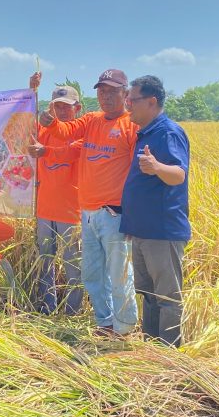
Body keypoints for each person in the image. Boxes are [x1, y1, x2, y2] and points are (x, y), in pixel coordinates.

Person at [38, 68, 139, 336]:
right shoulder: (92, 120)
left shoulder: (132, 126)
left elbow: (138, 175)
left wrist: (134, 214)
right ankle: (105, 323)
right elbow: (66, 130)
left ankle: (125, 328)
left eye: (112, 91)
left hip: (115, 214)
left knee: (119, 275)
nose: (106, 96)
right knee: (92, 274)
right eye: (102, 91)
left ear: (126, 94)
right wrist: (50, 123)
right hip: (88, 214)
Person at [120, 75, 191, 347]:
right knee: (149, 294)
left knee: (168, 297)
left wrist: (157, 167)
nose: (128, 106)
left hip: (162, 231)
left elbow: (178, 175)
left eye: (132, 100)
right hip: (143, 230)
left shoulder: (167, 132)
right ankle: (152, 348)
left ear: (151, 102)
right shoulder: (146, 132)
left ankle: (170, 355)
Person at [28, 72, 84, 315]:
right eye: (57, 106)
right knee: (45, 262)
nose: (62, 111)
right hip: (44, 209)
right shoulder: (43, 129)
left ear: (78, 108)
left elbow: (73, 153)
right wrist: (32, 91)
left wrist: (46, 152)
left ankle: (72, 312)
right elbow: (25, 121)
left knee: (73, 265)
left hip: (72, 212)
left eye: (67, 107)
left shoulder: (83, 132)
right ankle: (46, 308)